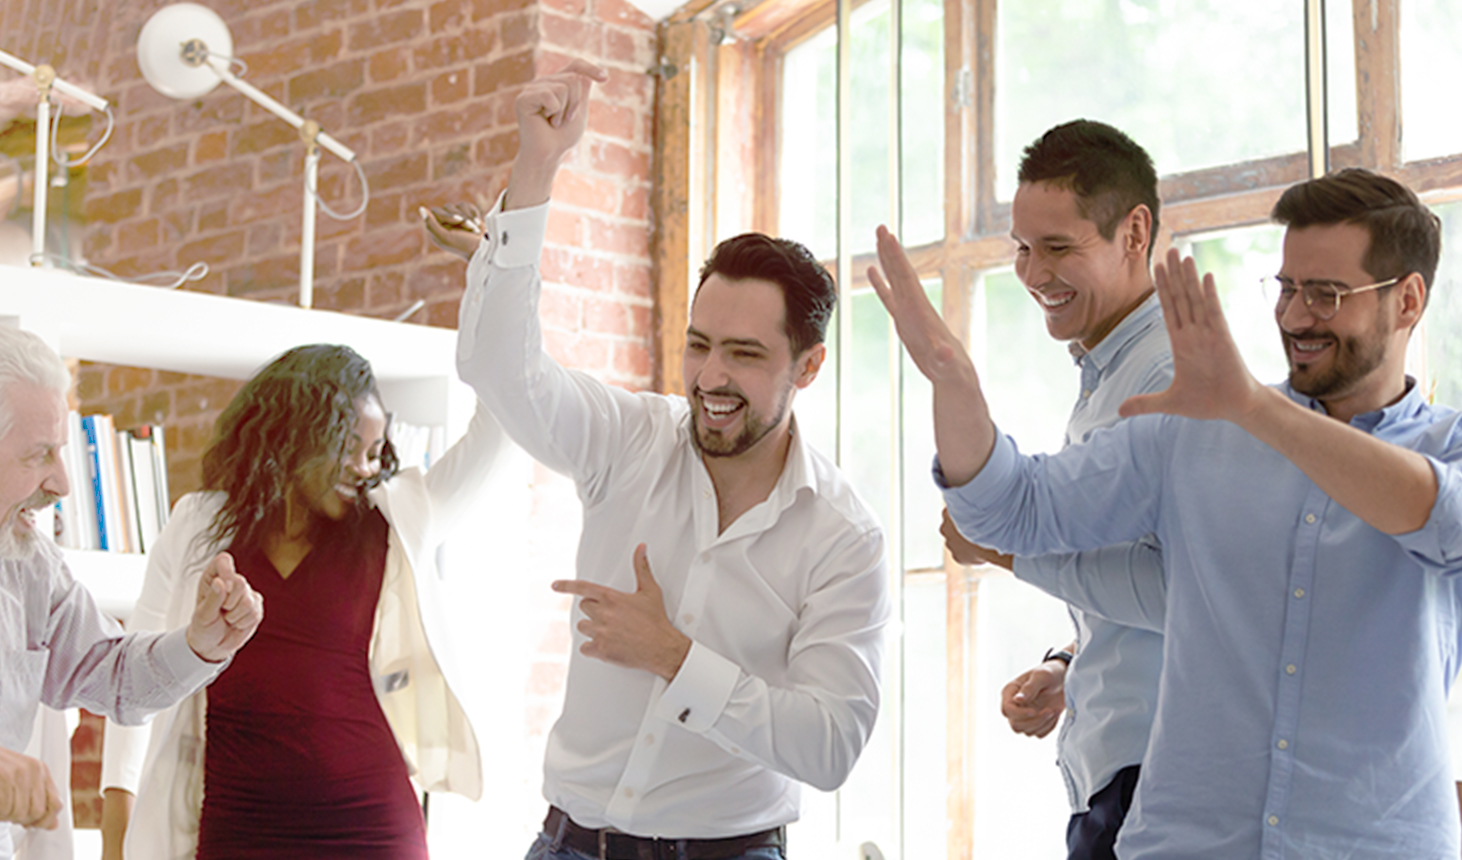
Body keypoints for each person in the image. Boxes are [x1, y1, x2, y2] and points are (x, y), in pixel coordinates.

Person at [872, 166, 1462, 857]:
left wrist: (1252, 407)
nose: (1297, 316)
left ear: (1409, 301)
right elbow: (1010, 509)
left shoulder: (1442, 448)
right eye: (1288, 289)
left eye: (1327, 294)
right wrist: (953, 382)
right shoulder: (1194, 430)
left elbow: (1438, 519)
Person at [422, 60, 890, 860]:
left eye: (744, 355)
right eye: (699, 345)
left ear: (807, 367)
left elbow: (830, 744)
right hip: (567, 844)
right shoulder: (628, 439)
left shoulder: (844, 538)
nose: (711, 378)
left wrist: (674, 657)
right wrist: (538, 165)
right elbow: (501, 370)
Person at [99, 344, 505, 859]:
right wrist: (117, 820)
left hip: (370, 829)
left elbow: (500, 428)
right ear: (294, 437)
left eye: (374, 450)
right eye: (348, 445)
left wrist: (492, 273)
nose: (364, 467)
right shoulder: (197, 526)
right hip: (236, 828)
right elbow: (139, 675)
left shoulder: (399, 518)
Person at [939, 119, 1170, 860]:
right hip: (1120, 775)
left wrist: (1007, 552)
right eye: (1022, 249)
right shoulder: (1109, 373)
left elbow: (1191, 590)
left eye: (1059, 248)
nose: (1034, 273)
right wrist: (1073, 664)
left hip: (1158, 783)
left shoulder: (1166, 381)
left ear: (1134, 233)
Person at [0, 325, 262, 860]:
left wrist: (198, 644)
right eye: (39, 455)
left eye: (62, 451)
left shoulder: (30, 566)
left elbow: (114, 676)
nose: (64, 483)